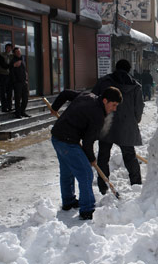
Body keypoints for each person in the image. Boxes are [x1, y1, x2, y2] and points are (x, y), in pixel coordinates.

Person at [50, 87, 122, 220]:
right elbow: (88, 143)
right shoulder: (98, 116)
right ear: (105, 101)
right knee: (86, 174)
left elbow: (65, 93)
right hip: (67, 141)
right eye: (114, 105)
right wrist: (92, 159)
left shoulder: (88, 95)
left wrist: (55, 107)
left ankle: (68, 201)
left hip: (57, 137)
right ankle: (87, 209)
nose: (114, 109)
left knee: (67, 171)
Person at [92, 59, 144, 194]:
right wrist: (135, 121)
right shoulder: (135, 86)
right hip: (127, 125)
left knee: (103, 156)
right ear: (129, 70)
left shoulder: (104, 82)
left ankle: (103, 186)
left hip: (106, 124)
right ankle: (136, 185)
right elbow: (138, 108)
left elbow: (93, 99)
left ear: (115, 67)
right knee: (129, 156)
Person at [10, 47, 29, 118]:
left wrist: (26, 79)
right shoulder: (13, 61)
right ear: (14, 53)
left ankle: (22, 111)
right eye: (17, 52)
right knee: (18, 98)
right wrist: (15, 81)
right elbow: (10, 71)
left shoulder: (22, 59)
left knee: (25, 98)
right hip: (17, 82)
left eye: (19, 52)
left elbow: (25, 70)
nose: (19, 53)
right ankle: (17, 113)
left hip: (24, 82)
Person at [0, 43, 13, 112]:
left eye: (10, 48)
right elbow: (4, 65)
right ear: (5, 48)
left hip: (10, 75)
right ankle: (4, 107)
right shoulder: (1, 55)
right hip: (2, 75)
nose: (8, 49)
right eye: (7, 47)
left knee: (10, 92)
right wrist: (12, 65)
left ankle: (10, 106)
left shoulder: (12, 56)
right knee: (3, 92)